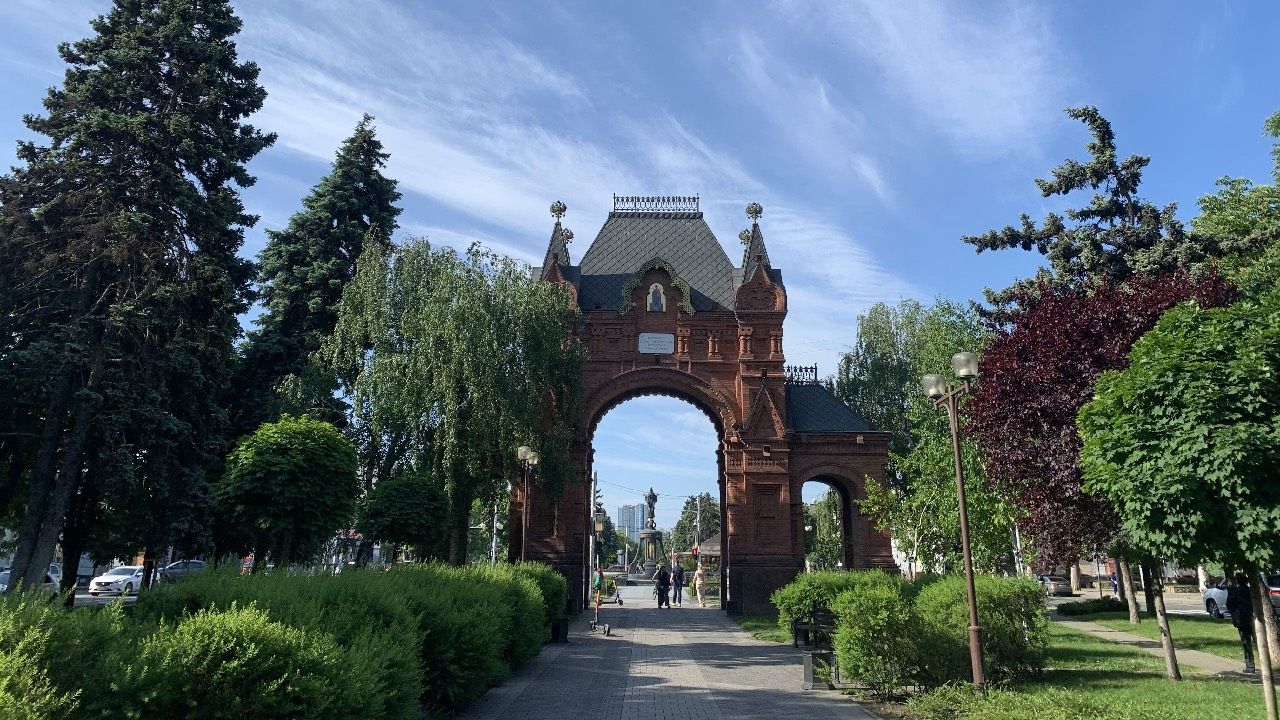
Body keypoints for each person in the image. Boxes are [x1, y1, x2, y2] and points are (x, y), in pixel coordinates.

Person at [1226, 573, 1256, 674]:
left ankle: (1250, 666)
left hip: (1242, 620)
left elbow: (1229, 605)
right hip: (1253, 618)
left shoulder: (1234, 591)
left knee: (1246, 642)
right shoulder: (1250, 591)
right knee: (1259, 642)